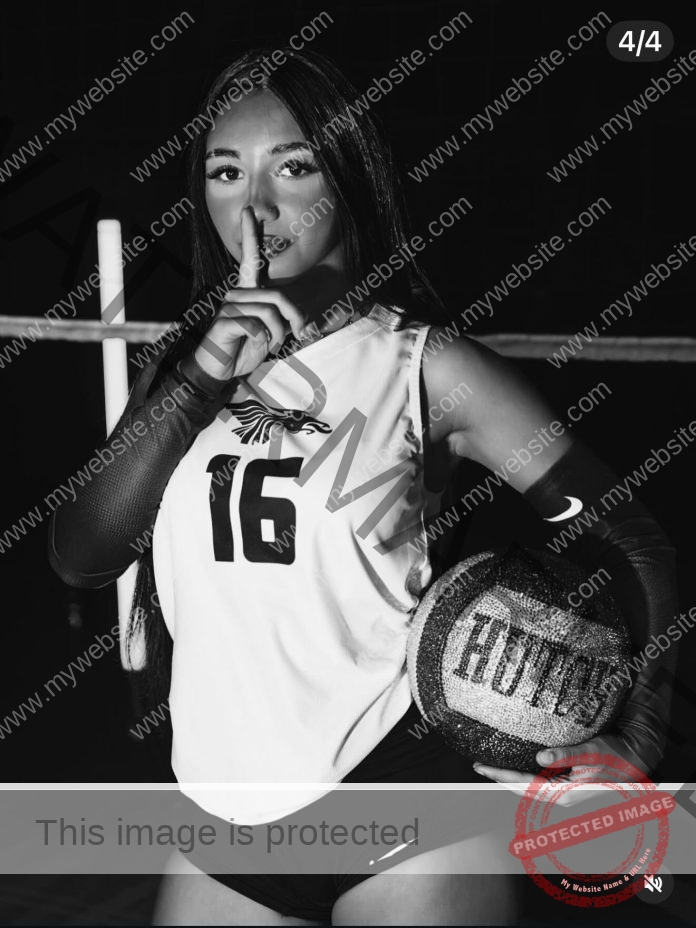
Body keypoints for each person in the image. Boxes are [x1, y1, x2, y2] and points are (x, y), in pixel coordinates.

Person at [48, 47, 678, 926]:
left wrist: (635, 743)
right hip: (221, 822)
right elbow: (81, 556)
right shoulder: (183, 372)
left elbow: (633, 541)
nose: (255, 205)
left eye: (293, 167)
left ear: (348, 178)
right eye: (225, 172)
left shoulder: (426, 365)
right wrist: (198, 385)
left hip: (407, 806)